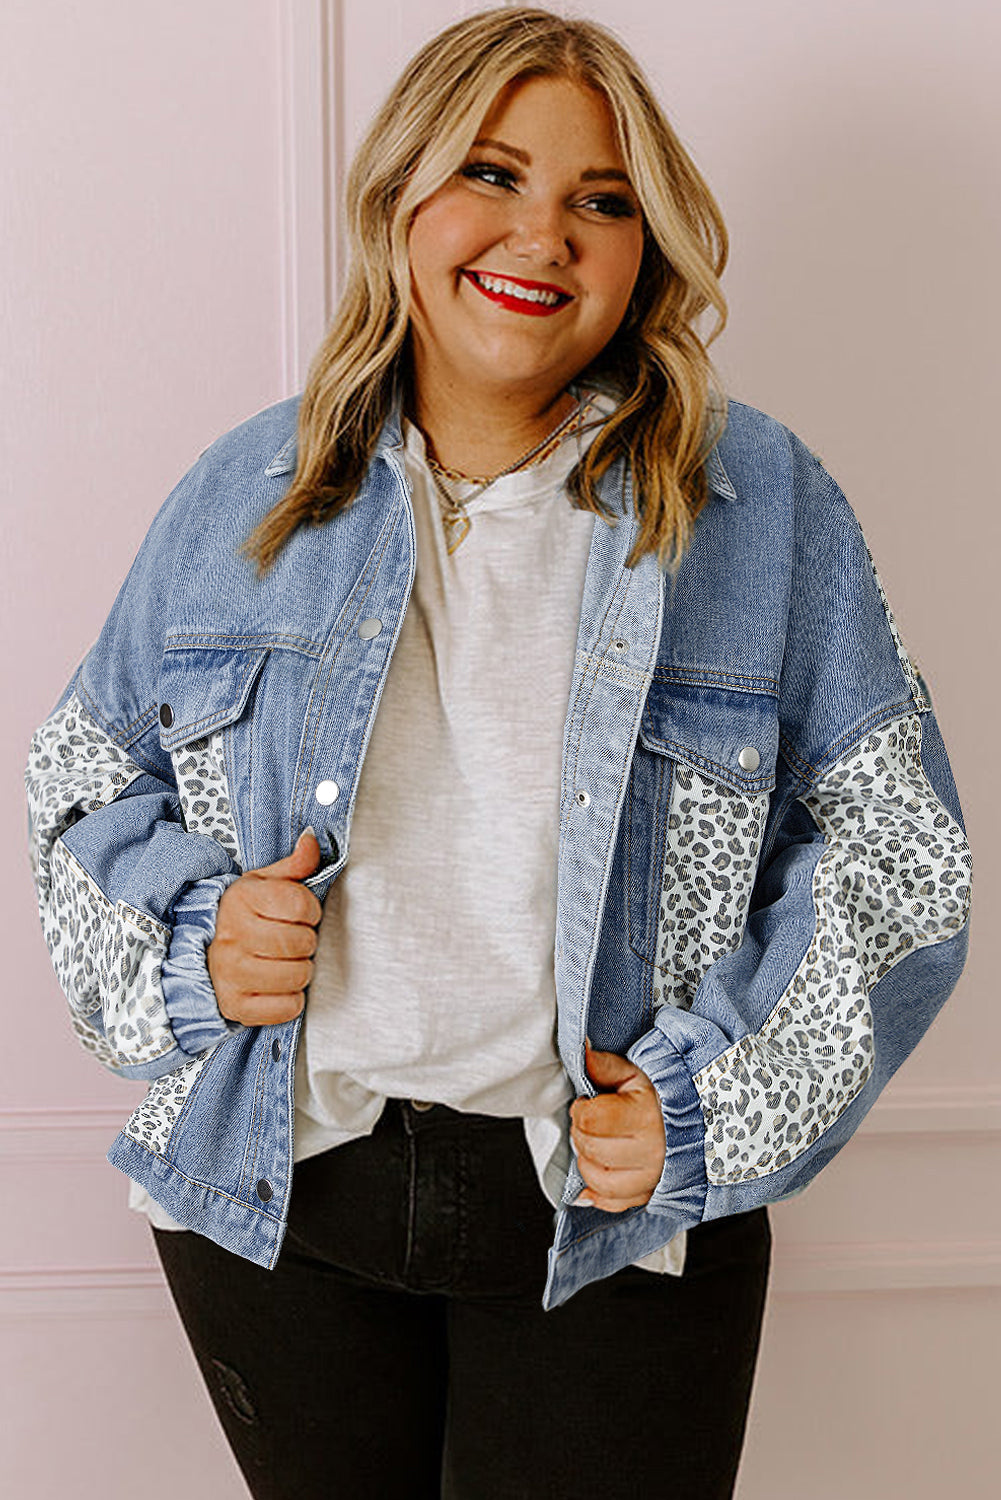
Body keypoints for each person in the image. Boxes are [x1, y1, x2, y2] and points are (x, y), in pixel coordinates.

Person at [24, 8, 971, 1499]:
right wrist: (198, 945)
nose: (544, 234)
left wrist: (707, 1108)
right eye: (492, 172)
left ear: (646, 247)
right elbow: (75, 786)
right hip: (282, 1202)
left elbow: (899, 856)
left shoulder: (756, 507)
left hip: (609, 1218)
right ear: (402, 195)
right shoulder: (246, 492)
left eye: (602, 199)